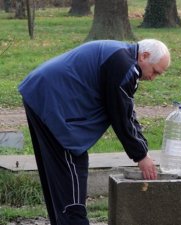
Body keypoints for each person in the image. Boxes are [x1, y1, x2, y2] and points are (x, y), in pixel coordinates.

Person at [18, 39, 170, 225]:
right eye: (154, 71)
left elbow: (125, 110)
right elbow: (121, 116)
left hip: (41, 92)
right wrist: (141, 156)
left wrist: (141, 148)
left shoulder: (121, 56)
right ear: (144, 56)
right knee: (71, 176)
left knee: (59, 178)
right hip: (54, 104)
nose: (153, 78)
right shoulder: (125, 66)